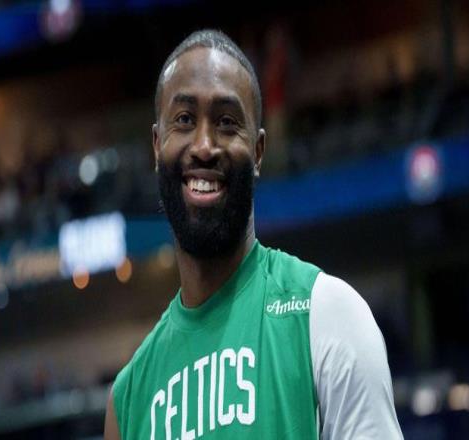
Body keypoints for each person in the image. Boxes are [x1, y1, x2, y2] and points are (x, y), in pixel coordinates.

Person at [104, 29, 403, 440]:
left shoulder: (327, 315)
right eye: (184, 119)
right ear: (157, 145)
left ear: (258, 152)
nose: (204, 145)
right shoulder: (128, 400)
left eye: (227, 122)